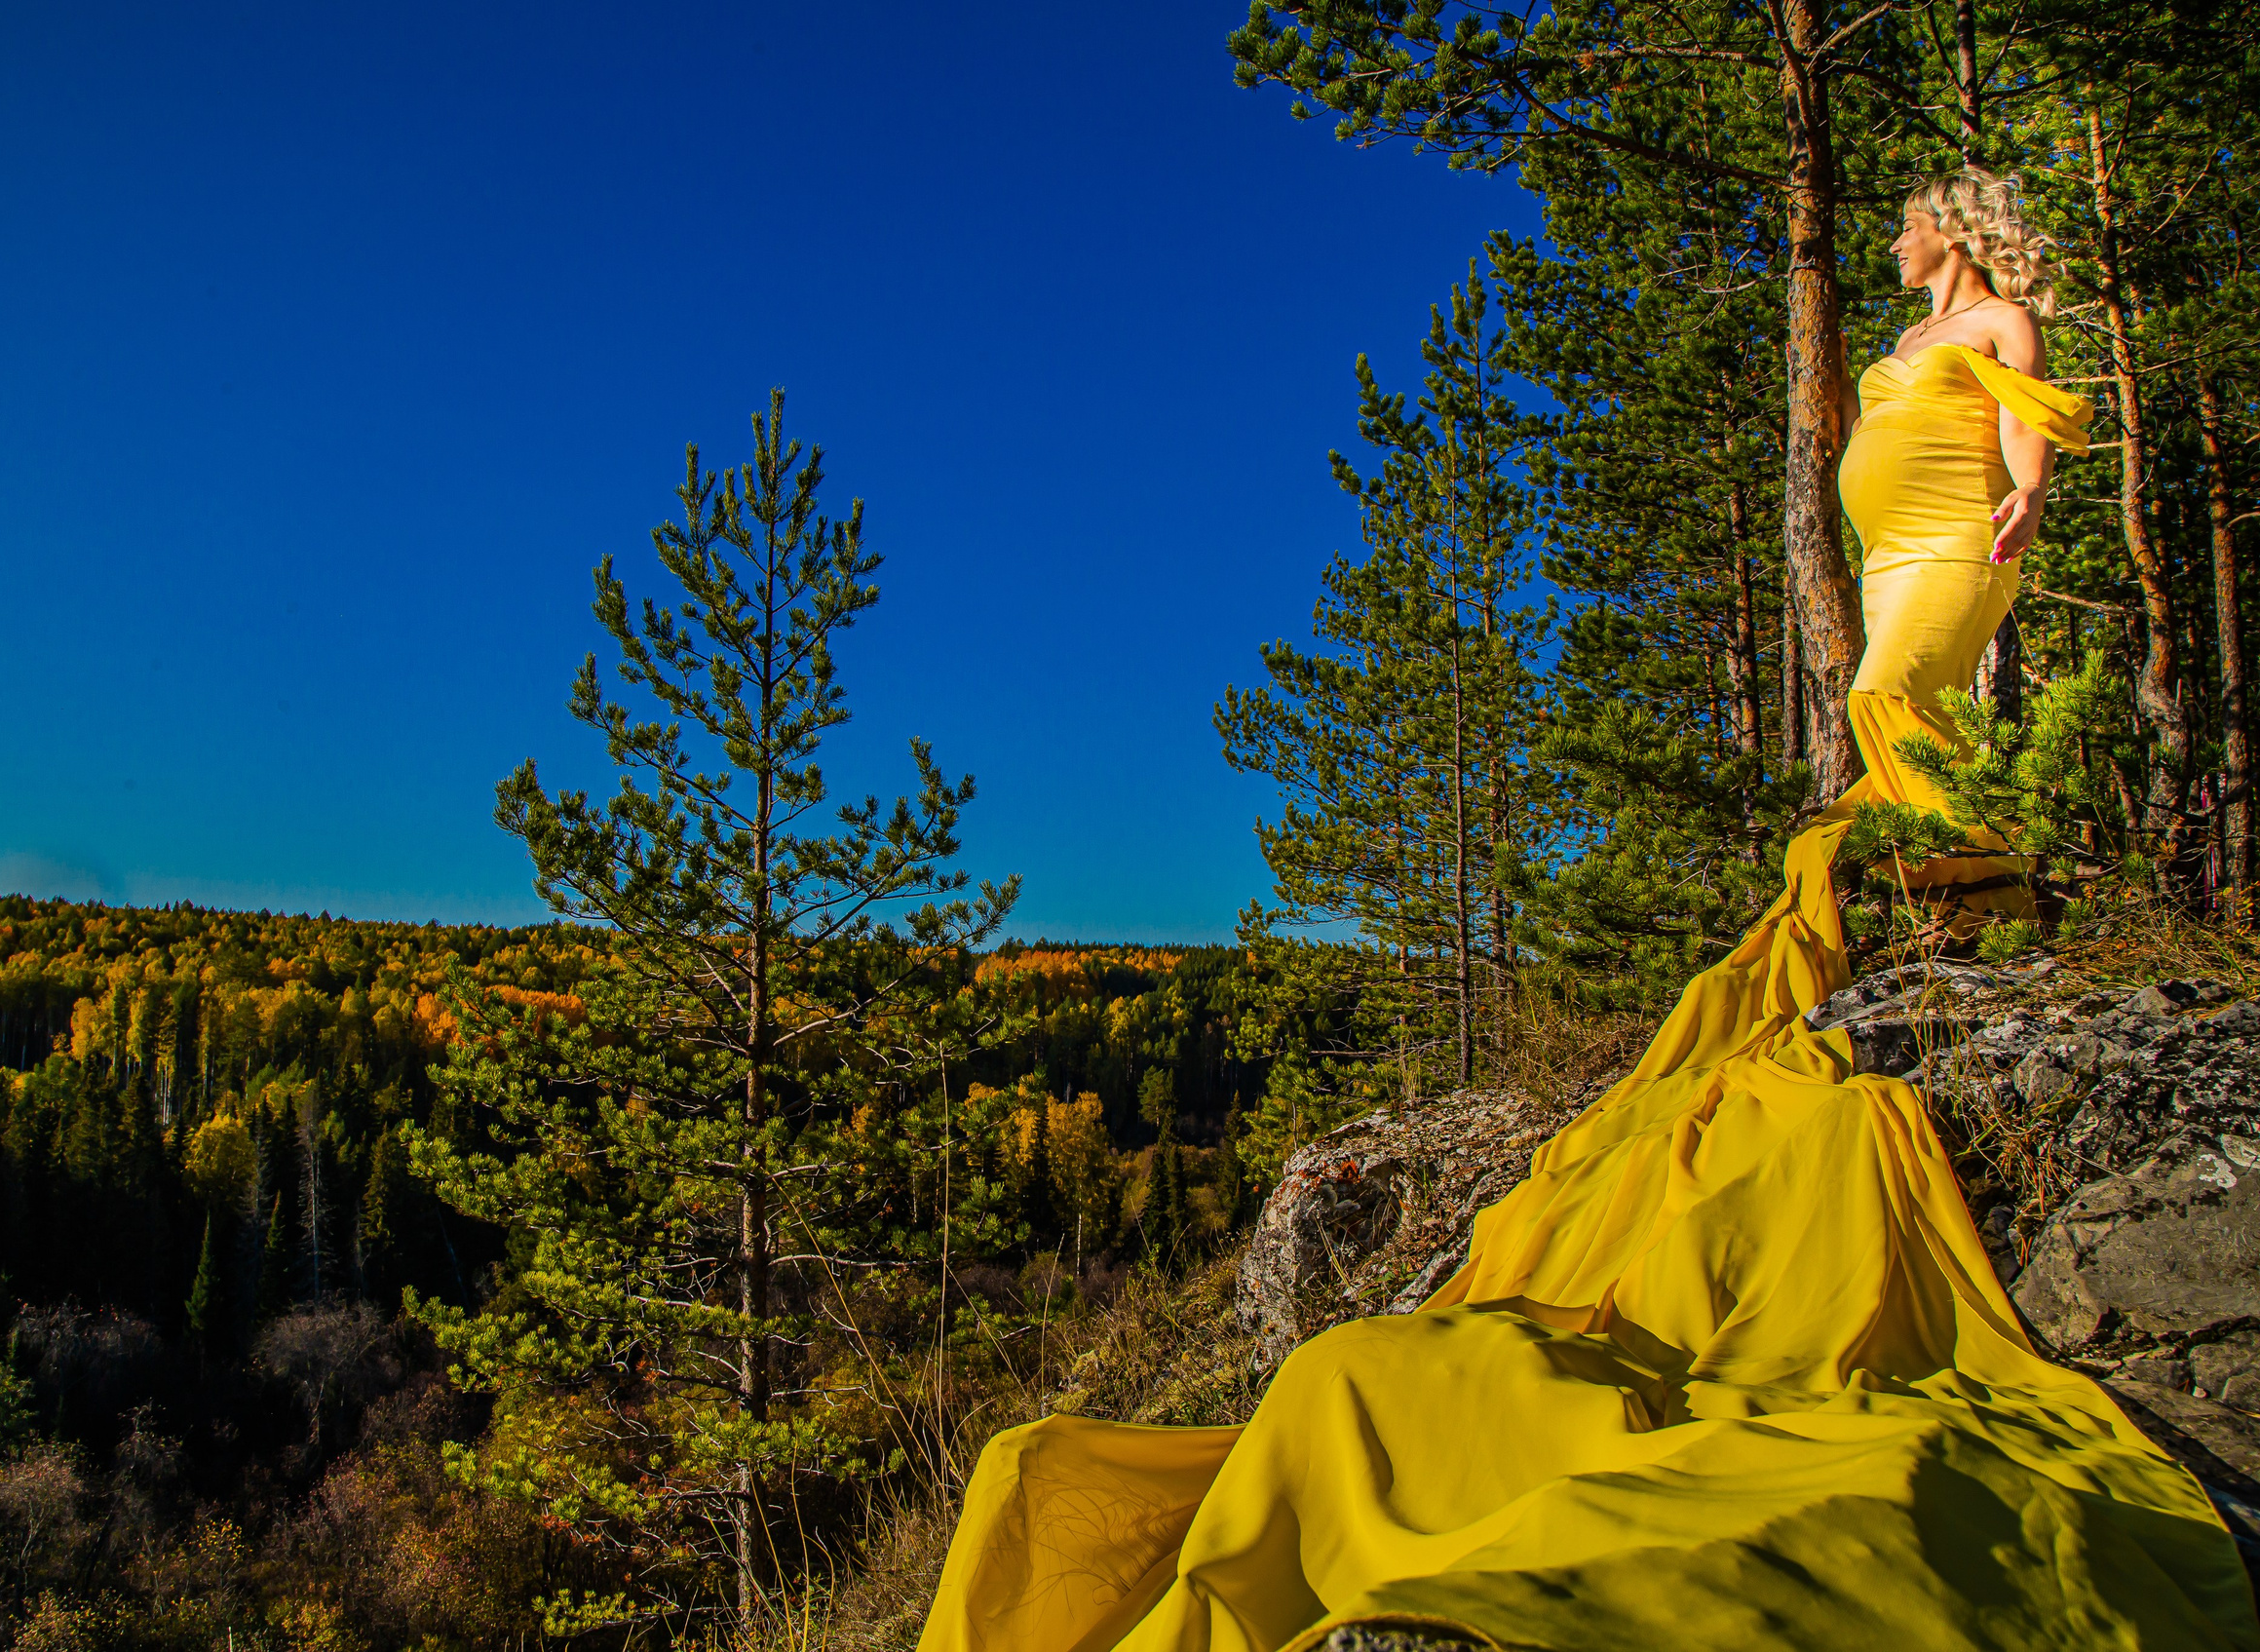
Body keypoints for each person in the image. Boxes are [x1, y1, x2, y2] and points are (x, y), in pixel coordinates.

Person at [917, 170, 2257, 1652]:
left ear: (1962, 227)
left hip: (1951, 547)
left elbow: (2029, 427)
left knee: (1891, 705)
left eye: (1910, 219)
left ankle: (1964, 886)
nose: (1891, 239)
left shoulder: (2000, 319)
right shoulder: (1900, 339)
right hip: (1890, 562)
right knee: (1880, 697)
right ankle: (1937, 889)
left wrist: (2020, 500)